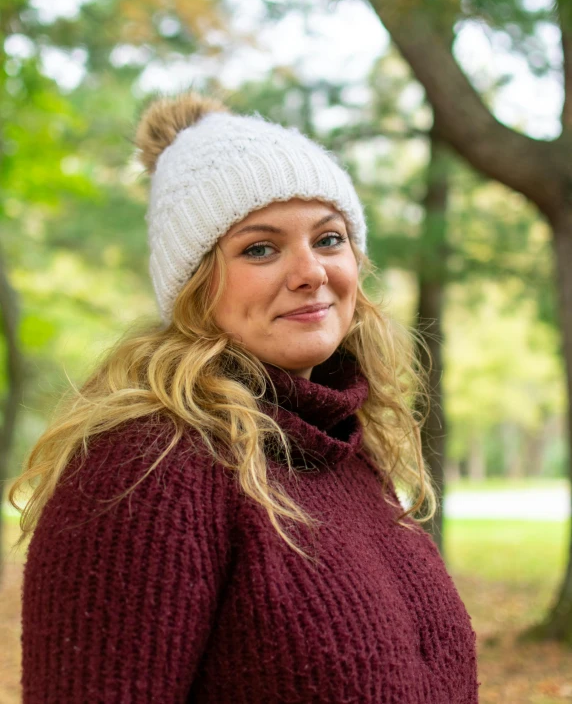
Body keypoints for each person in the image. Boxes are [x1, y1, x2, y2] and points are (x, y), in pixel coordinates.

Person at [10, 91, 479, 703]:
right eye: (261, 248)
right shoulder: (145, 469)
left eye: (330, 238)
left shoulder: (344, 449)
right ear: (194, 288)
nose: (311, 271)